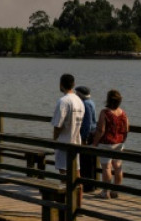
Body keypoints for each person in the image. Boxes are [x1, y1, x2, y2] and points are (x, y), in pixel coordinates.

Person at [51, 73, 85, 206]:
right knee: (77, 174)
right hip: (76, 141)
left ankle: (67, 205)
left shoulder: (63, 101)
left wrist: (54, 139)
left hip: (64, 142)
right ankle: (78, 204)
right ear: (73, 85)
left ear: (61, 84)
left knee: (64, 175)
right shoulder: (79, 101)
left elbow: (58, 125)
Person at [92, 89, 129, 199]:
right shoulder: (123, 113)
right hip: (119, 143)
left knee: (106, 168)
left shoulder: (105, 112)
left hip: (106, 143)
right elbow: (127, 129)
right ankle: (115, 191)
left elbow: (101, 130)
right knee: (118, 167)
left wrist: (94, 143)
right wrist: (123, 140)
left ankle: (105, 192)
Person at [75, 85, 98, 192]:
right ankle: (92, 184)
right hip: (93, 133)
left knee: (86, 161)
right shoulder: (91, 102)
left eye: (77, 93)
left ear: (80, 94)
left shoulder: (85, 104)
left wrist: (84, 138)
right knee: (90, 161)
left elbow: (87, 123)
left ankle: (88, 186)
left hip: (88, 135)